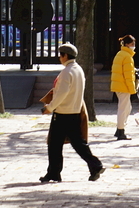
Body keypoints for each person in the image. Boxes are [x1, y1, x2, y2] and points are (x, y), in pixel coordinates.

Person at [40, 43, 105, 183]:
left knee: (54, 144)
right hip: (74, 111)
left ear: (65, 55)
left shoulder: (66, 72)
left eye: (60, 55)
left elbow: (61, 94)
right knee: (78, 143)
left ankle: (54, 172)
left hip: (63, 112)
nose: (59, 58)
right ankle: (95, 165)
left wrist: (49, 108)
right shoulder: (78, 69)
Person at [110, 34, 138, 141]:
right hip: (123, 86)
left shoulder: (120, 54)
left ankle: (120, 129)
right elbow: (128, 76)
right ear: (127, 44)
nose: (134, 46)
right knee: (124, 108)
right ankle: (121, 130)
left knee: (126, 108)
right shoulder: (127, 57)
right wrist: (133, 91)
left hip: (118, 85)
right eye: (132, 44)